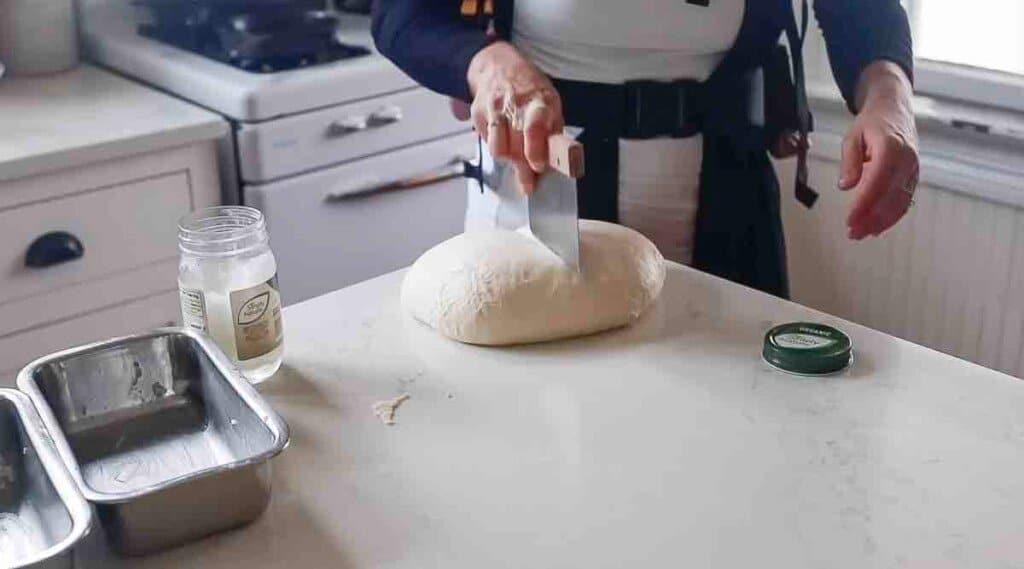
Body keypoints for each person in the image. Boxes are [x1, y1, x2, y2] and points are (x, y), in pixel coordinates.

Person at [371, 0, 919, 298]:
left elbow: (862, 13)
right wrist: (486, 64)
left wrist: (889, 98)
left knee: (734, 425)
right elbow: (403, 14)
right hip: (545, 185)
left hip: (724, 196)